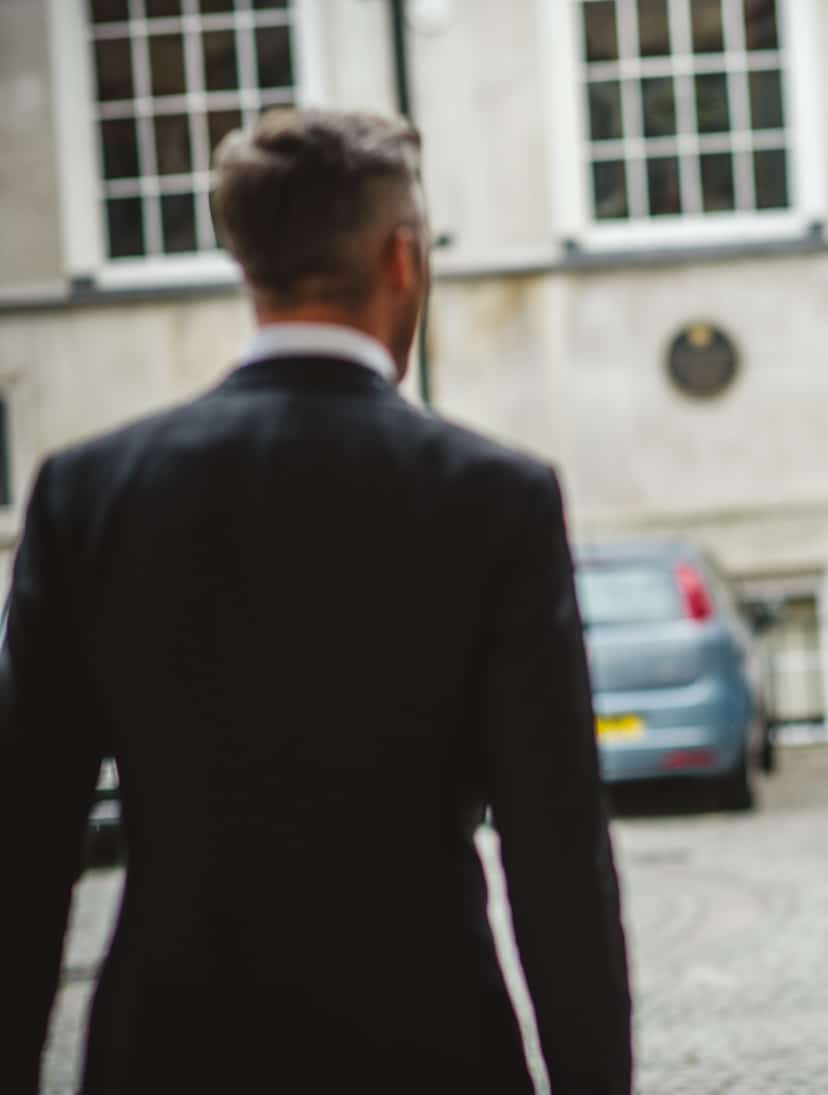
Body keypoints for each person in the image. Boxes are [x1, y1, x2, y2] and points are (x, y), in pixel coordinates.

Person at [0, 109, 631, 1094]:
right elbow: (556, 854)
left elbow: (26, 842)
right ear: (401, 259)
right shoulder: (491, 496)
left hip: (167, 1050)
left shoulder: (90, 492)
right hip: (429, 1046)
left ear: (245, 262)